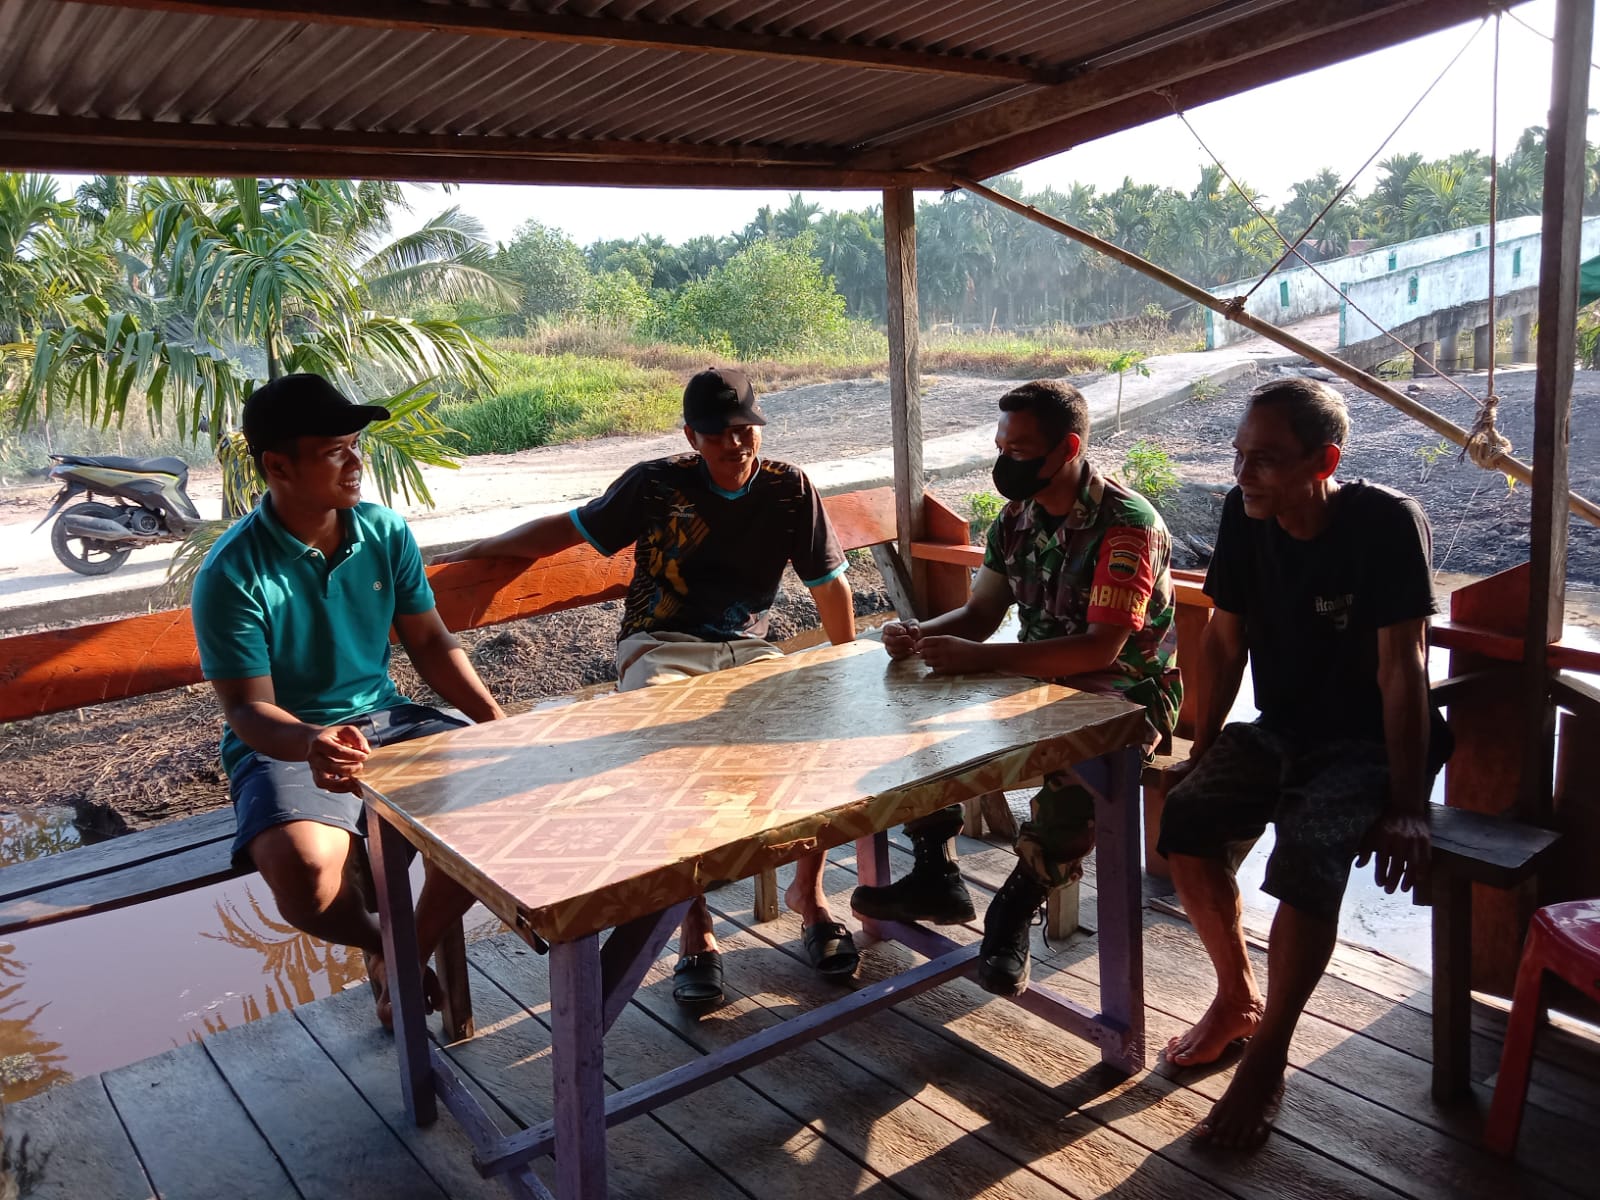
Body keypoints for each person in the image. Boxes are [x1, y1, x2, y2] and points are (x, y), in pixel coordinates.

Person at [434, 366, 859, 1010]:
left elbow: (829, 584)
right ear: (692, 436)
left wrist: (844, 666)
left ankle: (811, 894)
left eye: (744, 429)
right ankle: (695, 925)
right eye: (717, 434)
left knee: (809, 740)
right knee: (668, 764)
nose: (735, 444)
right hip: (660, 646)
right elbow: (570, 529)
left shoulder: (789, 487)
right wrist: (484, 549)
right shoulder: (655, 484)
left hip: (748, 650)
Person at [1157, 377, 1447, 1149]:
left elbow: (1404, 670)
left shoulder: (1386, 523)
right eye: (1239, 456)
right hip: (1284, 725)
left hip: (1366, 740)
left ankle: (1268, 1059)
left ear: (1325, 461)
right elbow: (1224, 641)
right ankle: (1236, 997)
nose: (1243, 475)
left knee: (1309, 855)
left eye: (1266, 460)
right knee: (1186, 818)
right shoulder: (1243, 513)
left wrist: (1408, 804)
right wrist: (1200, 748)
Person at [191, 373, 506, 1029]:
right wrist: (311, 741)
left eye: (355, 445)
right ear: (278, 466)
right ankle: (386, 942)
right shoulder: (231, 573)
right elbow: (247, 710)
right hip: (286, 741)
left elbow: (430, 642)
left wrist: (496, 725)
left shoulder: (384, 533)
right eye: (335, 451)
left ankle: (404, 952)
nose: (356, 462)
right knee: (306, 874)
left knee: (501, 807)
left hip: (391, 720)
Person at [850, 379, 1179, 997]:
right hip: (1030, 678)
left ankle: (1015, 906)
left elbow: (1099, 650)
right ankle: (934, 870)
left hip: (1122, 692)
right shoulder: (1016, 518)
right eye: (1001, 447)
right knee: (911, 713)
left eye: (1021, 450)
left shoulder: (1126, 527)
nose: (1006, 461)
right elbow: (980, 614)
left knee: (1083, 766)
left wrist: (978, 659)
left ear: (1068, 448)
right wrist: (919, 634)